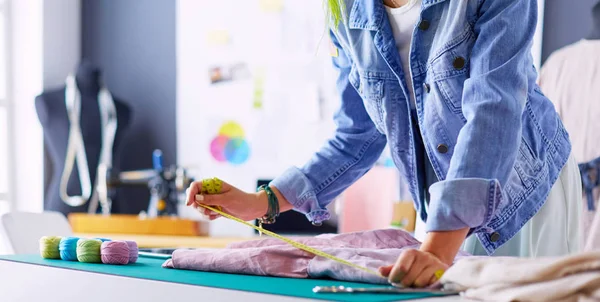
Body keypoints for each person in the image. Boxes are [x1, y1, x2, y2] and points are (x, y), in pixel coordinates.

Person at [186, 0, 582, 288]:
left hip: (525, 192)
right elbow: (355, 136)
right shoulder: (348, 14)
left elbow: (494, 108)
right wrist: (263, 202)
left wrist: (438, 247)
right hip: (442, 207)